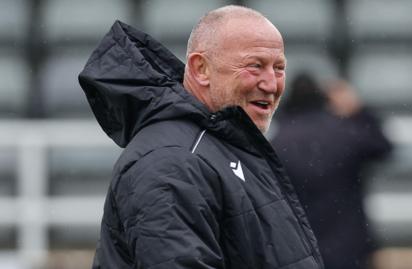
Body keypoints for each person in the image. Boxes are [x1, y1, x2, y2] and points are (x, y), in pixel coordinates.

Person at [78, 5, 323, 269]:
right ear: (201, 69)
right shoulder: (171, 162)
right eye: (255, 66)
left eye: (279, 68)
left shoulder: (220, 148)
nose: (271, 84)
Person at [272, 74, 393, 269]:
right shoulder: (345, 132)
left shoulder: (278, 141)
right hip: (349, 245)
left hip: (299, 246)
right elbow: (383, 148)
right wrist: (358, 110)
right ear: (322, 97)